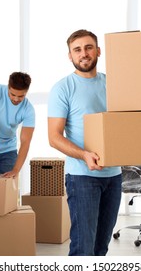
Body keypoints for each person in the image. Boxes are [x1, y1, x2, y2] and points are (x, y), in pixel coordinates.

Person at [47, 29, 122, 256]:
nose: (84, 53)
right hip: (82, 177)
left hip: (114, 176)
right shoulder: (63, 88)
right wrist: (84, 155)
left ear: (98, 51)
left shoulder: (115, 85)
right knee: (83, 248)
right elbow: (54, 137)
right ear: (70, 56)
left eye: (89, 48)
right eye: (77, 50)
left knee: (101, 248)